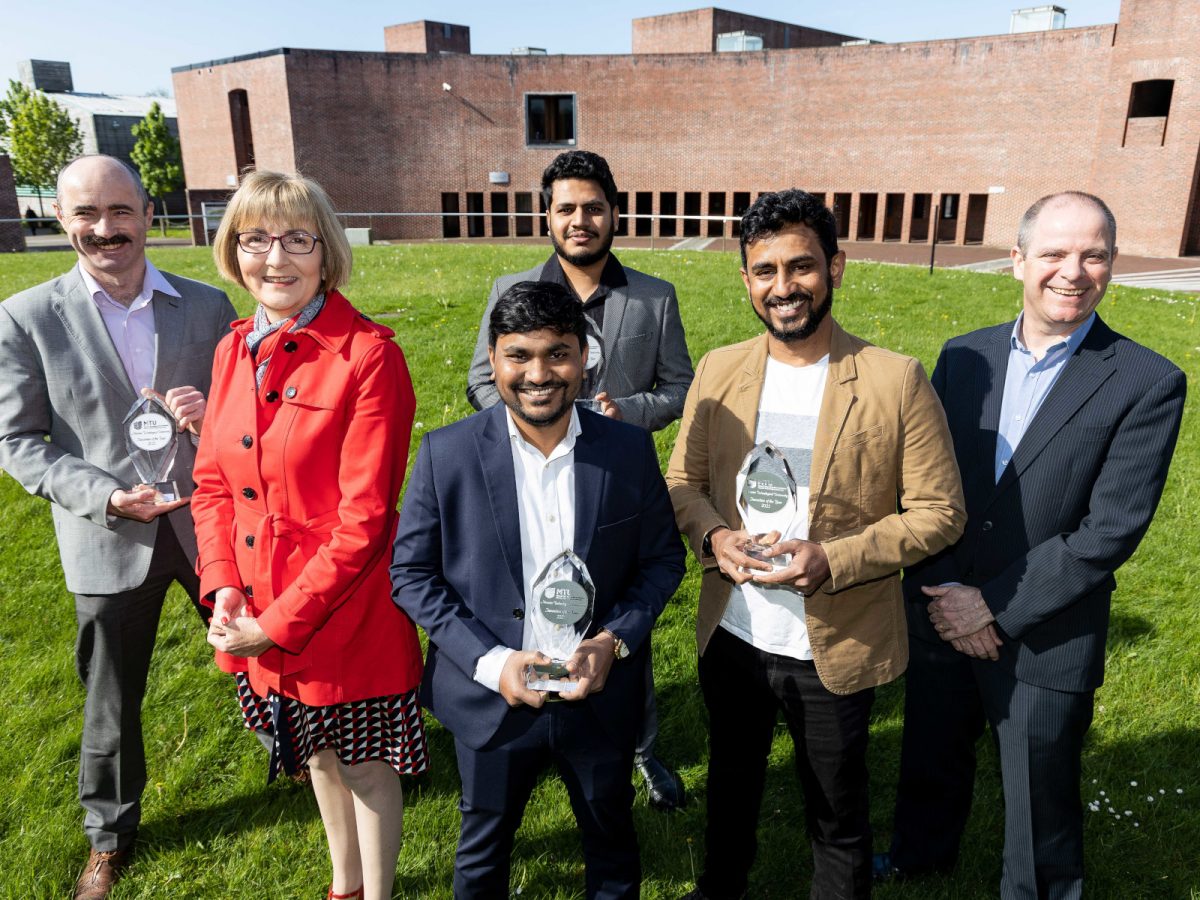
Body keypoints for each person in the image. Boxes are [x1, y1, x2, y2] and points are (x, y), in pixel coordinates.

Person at [880, 192, 1186, 900]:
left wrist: (988, 608)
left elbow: (1108, 531)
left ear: (1112, 264)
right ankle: (919, 857)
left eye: (1093, 255)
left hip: (1048, 626)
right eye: (1053, 253)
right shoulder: (964, 357)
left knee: (1040, 795)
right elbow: (929, 482)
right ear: (1017, 260)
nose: (1072, 271)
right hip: (939, 598)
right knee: (931, 752)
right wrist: (950, 593)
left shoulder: (1147, 381)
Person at [666, 189, 966, 899]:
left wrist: (833, 559)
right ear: (745, 279)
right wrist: (713, 535)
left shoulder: (895, 379)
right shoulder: (717, 370)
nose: (783, 287)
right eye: (765, 271)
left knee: (836, 813)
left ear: (836, 267)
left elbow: (939, 512)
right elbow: (683, 479)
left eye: (800, 267)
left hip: (834, 641)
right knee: (731, 788)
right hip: (733, 633)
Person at [393, 280, 685, 898]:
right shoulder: (447, 454)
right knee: (483, 847)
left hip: (598, 695)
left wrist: (614, 641)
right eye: (518, 355)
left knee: (611, 839)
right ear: (493, 360)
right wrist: (492, 663)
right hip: (495, 700)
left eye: (557, 353)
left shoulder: (628, 451)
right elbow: (411, 574)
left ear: (585, 358)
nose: (538, 373)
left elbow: (662, 561)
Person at [0, 155, 235, 900]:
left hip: (209, 525)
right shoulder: (27, 317)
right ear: (62, 220)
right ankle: (109, 835)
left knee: (260, 648)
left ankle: (298, 753)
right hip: (109, 536)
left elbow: (253, 420)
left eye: (119, 212)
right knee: (110, 694)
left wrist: (214, 418)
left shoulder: (207, 306)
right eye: (85, 215)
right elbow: (17, 441)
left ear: (146, 211)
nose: (105, 230)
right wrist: (103, 498)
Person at [193, 170, 428, 900]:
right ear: (233, 252)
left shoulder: (367, 356)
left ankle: (377, 893)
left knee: (361, 764)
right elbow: (213, 485)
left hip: (342, 616)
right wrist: (223, 585)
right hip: (256, 610)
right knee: (315, 755)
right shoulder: (234, 348)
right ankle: (343, 885)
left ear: (326, 253)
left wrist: (276, 623)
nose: (275, 258)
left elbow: (365, 520)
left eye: (297, 239)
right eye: (255, 239)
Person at [466, 149, 694, 808]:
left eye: (593, 207)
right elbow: (483, 378)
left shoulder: (654, 297)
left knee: (623, 625)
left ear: (614, 213)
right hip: (530, 480)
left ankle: (643, 751)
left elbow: (680, 387)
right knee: (530, 607)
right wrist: (529, 421)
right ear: (548, 216)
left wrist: (630, 414)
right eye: (566, 207)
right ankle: (534, 731)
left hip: (611, 487)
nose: (580, 219)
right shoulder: (511, 290)